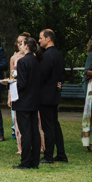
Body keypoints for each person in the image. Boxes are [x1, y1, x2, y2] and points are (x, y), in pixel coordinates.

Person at [37, 29, 66, 163]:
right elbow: (61, 74)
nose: (39, 40)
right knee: (55, 125)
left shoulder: (48, 55)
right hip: (54, 94)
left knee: (48, 126)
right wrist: (58, 82)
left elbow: (42, 75)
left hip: (46, 96)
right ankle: (61, 153)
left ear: (48, 39)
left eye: (41, 38)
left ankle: (48, 155)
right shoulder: (58, 54)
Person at [13, 36, 42, 169]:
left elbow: (22, 83)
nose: (20, 46)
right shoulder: (37, 61)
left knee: (26, 133)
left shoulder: (22, 61)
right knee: (35, 131)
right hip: (34, 100)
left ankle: (25, 162)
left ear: (26, 46)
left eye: (22, 44)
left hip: (23, 101)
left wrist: (12, 83)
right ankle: (35, 161)